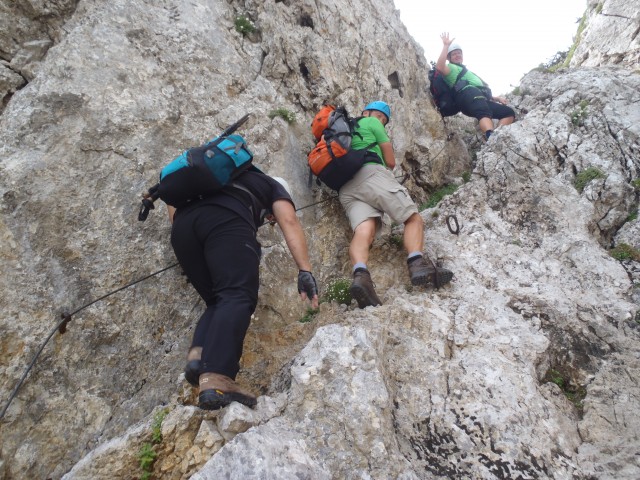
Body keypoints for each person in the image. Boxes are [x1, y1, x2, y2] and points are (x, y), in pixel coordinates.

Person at [168, 171, 319, 410]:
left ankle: (199, 358)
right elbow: (289, 220)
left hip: (183, 229)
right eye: (270, 217)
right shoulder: (273, 186)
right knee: (237, 295)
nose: (269, 219)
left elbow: (172, 202)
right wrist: (305, 271)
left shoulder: (221, 181)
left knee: (218, 300)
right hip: (224, 221)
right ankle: (216, 378)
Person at [339, 101, 454, 309]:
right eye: (380, 117)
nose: (381, 121)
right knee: (413, 218)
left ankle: (360, 275)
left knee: (364, 230)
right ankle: (417, 263)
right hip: (371, 173)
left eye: (384, 120)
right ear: (367, 112)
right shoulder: (371, 123)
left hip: (345, 188)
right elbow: (390, 161)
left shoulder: (346, 129)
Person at [436, 32, 515, 140]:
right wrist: (445, 46)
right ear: (449, 58)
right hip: (467, 95)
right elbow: (440, 67)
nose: (458, 55)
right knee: (483, 112)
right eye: (454, 54)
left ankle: (498, 137)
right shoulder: (451, 68)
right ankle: (491, 137)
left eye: (459, 53)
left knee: (508, 113)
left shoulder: (465, 70)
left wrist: (497, 98)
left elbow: (478, 88)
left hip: (479, 97)